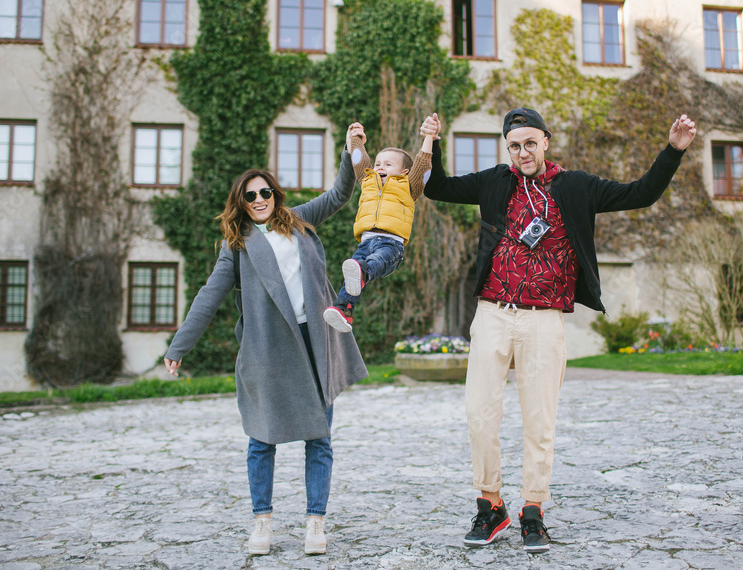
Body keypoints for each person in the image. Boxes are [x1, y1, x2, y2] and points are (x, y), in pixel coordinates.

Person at [420, 107, 696, 554]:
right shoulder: (495, 181)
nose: (523, 152)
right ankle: (491, 504)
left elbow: (641, 194)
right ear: (507, 149)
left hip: (544, 318)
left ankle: (533, 510)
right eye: (514, 145)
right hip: (493, 311)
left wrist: (674, 150)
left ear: (545, 141)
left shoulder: (577, 186)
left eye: (530, 143)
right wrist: (431, 143)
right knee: (480, 415)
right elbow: (437, 187)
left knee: (539, 420)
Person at [162, 123, 369, 557]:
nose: (259, 201)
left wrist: (350, 152)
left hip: (317, 341)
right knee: (262, 440)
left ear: (275, 195)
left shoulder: (298, 221)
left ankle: (316, 523)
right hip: (268, 350)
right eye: (250, 196)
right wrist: (179, 346)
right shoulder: (236, 246)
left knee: (320, 438)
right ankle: (263, 522)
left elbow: (337, 196)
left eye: (266, 193)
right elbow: (209, 296)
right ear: (240, 203)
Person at [322, 126, 434, 333]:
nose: (380, 167)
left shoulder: (410, 186)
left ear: (404, 172)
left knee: (374, 263)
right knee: (353, 276)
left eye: (388, 164)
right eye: (378, 163)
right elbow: (359, 160)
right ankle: (343, 309)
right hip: (366, 242)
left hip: (391, 243)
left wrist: (429, 138)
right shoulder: (368, 181)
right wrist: (356, 138)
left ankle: (363, 272)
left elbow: (423, 165)